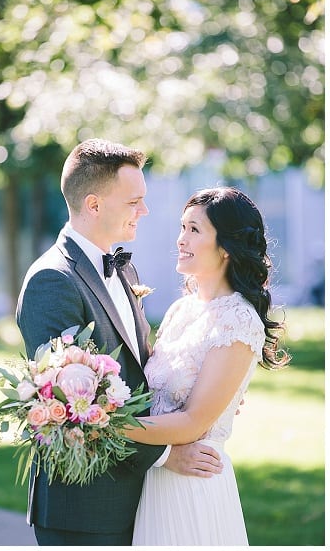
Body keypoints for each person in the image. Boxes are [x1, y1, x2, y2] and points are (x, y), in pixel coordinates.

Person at [16, 138, 224, 546]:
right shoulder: (52, 281)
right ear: (94, 205)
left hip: (141, 502)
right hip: (84, 507)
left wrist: (206, 388)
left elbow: (138, 373)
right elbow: (75, 408)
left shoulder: (124, 271)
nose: (144, 211)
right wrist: (167, 455)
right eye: (134, 202)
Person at [127, 187, 289, 545]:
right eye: (182, 227)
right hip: (155, 479)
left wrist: (104, 428)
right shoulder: (180, 310)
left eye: (195, 230)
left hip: (193, 486)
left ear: (227, 247)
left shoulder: (238, 320)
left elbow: (193, 422)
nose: (181, 239)